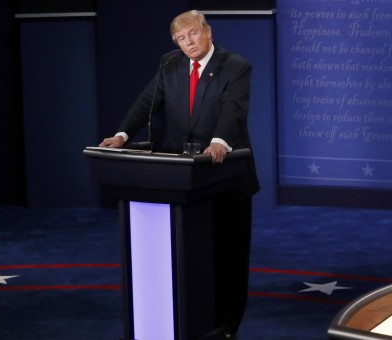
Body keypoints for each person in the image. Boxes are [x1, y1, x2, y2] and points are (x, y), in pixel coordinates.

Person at [99, 10, 259, 338]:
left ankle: (228, 326)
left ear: (208, 31)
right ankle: (192, 318)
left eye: (192, 35)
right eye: (180, 39)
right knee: (191, 257)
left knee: (228, 256)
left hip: (225, 176)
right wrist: (122, 135)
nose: (188, 43)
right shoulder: (170, 65)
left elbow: (234, 109)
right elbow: (147, 103)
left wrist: (218, 141)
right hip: (181, 181)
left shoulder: (235, 66)